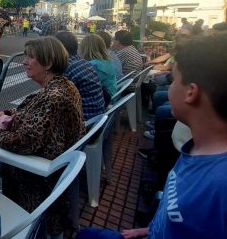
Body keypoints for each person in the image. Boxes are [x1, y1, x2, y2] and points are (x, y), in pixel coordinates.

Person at [76, 32, 227, 239]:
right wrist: (152, 228)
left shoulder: (219, 183)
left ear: (191, 93)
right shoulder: (198, 147)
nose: (167, 85)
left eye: (173, 79)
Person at [0, 36, 85, 236]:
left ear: (48, 63)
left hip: (35, 178)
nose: (24, 62)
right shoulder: (62, 85)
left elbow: (24, 142)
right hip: (47, 164)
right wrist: (7, 113)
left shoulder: (54, 96)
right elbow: (34, 112)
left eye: (30, 57)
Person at [55, 31, 106, 120]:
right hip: (96, 117)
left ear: (58, 49)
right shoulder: (83, 62)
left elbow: (55, 101)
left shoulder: (66, 68)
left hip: (84, 122)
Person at [79, 34, 117, 103]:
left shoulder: (93, 65)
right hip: (110, 98)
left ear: (85, 48)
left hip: (102, 101)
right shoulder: (106, 62)